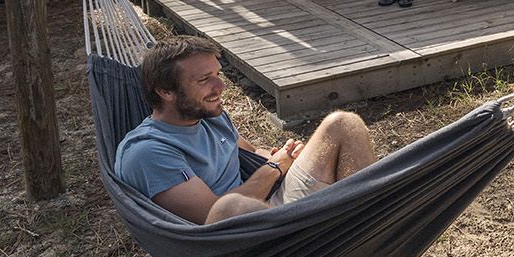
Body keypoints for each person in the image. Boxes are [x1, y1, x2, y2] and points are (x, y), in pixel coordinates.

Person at [114, 35, 378, 224]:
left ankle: (371, 221)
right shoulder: (148, 152)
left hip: (272, 206)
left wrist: (286, 155)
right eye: (205, 80)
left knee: (343, 123)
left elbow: (250, 152)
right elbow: (211, 217)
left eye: (218, 75)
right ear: (165, 92)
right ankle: (341, 227)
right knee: (231, 206)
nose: (220, 87)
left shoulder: (209, 116)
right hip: (239, 238)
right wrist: (274, 167)